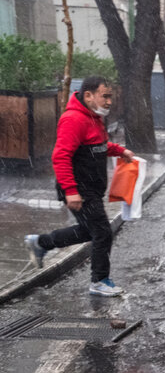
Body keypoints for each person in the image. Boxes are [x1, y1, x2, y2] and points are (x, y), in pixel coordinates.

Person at [24, 75, 135, 296]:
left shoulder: (94, 117)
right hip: (80, 188)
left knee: (88, 231)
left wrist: (119, 150)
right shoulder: (74, 119)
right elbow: (61, 156)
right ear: (88, 95)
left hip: (90, 188)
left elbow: (98, 146)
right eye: (105, 96)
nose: (109, 102)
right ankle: (99, 281)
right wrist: (71, 191)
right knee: (102, 232)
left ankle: (41, 243)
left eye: (110, 97)